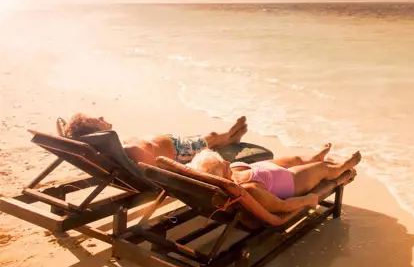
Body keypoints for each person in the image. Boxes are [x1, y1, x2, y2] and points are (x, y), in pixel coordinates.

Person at [187, 143, 362, 213]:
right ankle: (342, 167)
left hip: (271, 171)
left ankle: (312, 158)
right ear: (223, 171)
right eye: (224, 164)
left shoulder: (233, 171)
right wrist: (307, 199)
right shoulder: (247, 188)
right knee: (322, 169)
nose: (227, 161)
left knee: (296, 159)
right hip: (292, 182)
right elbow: (281, 205)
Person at [60, 112, 250, 166]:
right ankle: (231, 137)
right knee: (212, 137)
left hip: (174, 143)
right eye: (97, 120)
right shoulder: (129, 150)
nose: (102, 117)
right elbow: (157, 170)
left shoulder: (113, 145)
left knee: (203, 137)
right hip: (180, 152)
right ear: (96, 132)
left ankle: (231, 137)